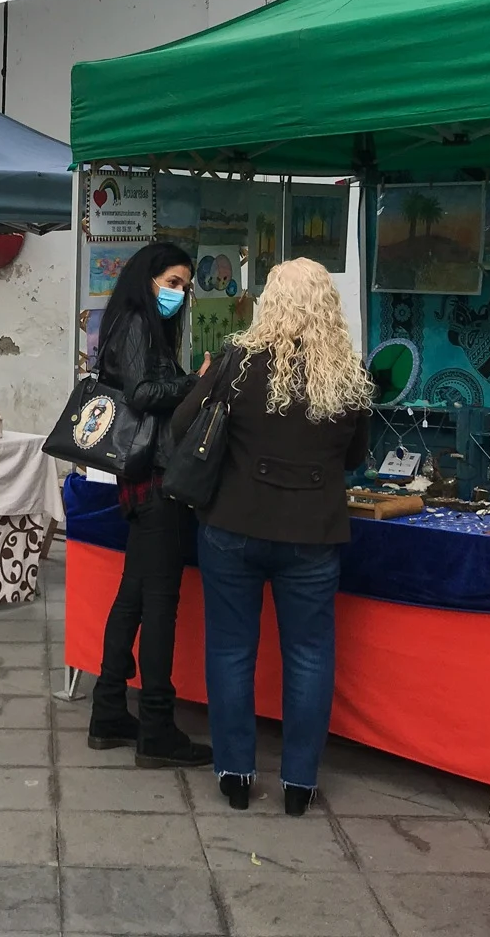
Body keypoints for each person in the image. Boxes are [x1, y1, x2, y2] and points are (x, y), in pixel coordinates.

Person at [172, 258, 372, 815]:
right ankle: (299, 784)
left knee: (231, 649)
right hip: (312, 533)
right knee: (309, 655)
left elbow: (183, 423)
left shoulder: (237, 362)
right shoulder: (348, 371)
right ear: (327, 305)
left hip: (233, 525)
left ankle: (235, 774)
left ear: (270, 303)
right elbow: (355, 458)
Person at [88, 241, 213, 768]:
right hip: (157, 482)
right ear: (149, 279)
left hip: (140, 482)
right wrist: (198, 382)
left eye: (185, 286)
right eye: (175, 283)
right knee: (160, 605)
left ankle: (109, 710)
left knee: (135, 597)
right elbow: (142, 392)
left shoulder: (127, 322)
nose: (180, 295)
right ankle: (157, 727)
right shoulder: (139, 322)